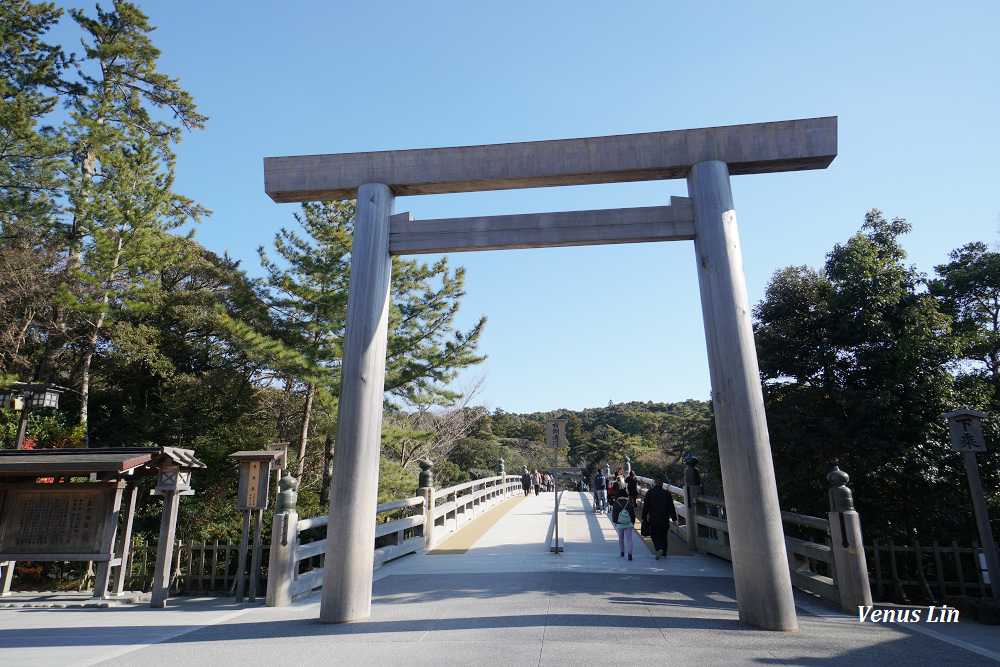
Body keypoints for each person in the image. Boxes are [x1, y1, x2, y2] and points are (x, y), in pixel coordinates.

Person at [641, 473, 678, 560]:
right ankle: (664, 553)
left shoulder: (650, 493)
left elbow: (645, 506)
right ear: (662, 483)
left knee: (654, 535)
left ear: (654, 483)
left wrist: (644, 517)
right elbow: (671, 507)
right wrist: (674, 519)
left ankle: (659, 549)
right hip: (664, 519)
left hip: (654, 518)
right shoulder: (666, 494)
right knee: (664, 535)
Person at [611, 484, 636, 560]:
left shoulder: (616, 503)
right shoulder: (629, 503)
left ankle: (622, 552)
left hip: (620, 523)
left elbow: (614, 514)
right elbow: (632, 514)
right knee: (629, 539)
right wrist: (633, 522)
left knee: (621, 537)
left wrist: (615, 521)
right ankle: (630, 554)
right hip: (628, 523)